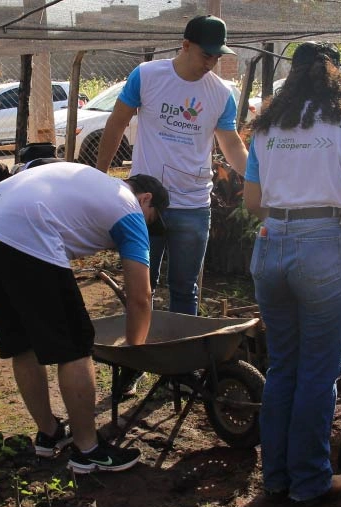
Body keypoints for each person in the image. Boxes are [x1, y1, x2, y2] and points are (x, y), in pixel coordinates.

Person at [241, 42, 341, 505]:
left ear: (291, 76)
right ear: (334, 75)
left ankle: (275, 478)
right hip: (322, 244)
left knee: (283, 365)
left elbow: (252, 204)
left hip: (271, 244)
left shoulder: (267, 128)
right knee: (319, 372)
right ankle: (310, 481)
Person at [0, 162, 169, 474]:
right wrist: (134, 354)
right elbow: (140, 297)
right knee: (75, 345)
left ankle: (48, 434)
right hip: (26, 229)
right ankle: (88, 451)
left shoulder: (96, 186)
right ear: (145, 199)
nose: (147, 229)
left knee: (23, 342)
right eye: (151, 221)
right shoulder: (129, 208)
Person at [96, 14, 249, 316]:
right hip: (145, 205)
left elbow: (230, 143)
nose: (211, 62)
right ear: (185, 45)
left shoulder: (221, 93)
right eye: (206, 54)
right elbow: (116, 124)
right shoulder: (148, 75)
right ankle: (136, 356)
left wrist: (257, 178)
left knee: (185, 288)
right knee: (142, 287)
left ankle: (181, 359)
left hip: (193, 205)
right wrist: (99, 177)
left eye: (217, 56)